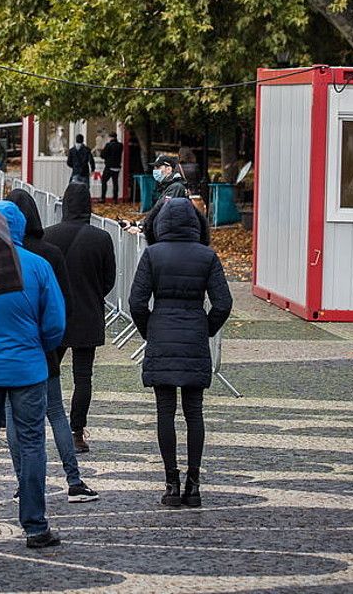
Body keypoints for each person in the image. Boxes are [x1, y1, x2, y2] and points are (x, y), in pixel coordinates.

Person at [0, 201, 66, 554]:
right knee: (32, 444)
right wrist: (37, 345)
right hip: (28, 369)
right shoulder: (38, 267)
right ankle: (35, 526)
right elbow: (55, 324)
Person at [128, 198, 232, 509]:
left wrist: (151, 331)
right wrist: (206, 329)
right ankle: (194, 484)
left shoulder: (152, 255)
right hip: (194, 337)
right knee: (194, 413)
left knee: (165, 413)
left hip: (162, 334)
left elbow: (136, 302)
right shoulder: (207, 256)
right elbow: (223, 303)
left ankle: (171, 484)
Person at [4, 190, 96, 502]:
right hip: (43, 349)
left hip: (5, 353)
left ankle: (22, 483)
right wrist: (52, 346)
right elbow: (62, 306)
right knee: (56, 413)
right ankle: (73, 479)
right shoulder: (49, 254)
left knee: (13, 420)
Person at [43, 183, 116, 455]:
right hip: (88, 313)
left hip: (56, 315)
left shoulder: (49, 236)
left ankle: (39, 423)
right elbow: (108, 280)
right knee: (83, 377)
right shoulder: (102, 238)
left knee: (49, 373)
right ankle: (77, 431)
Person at [99, 133, 124, 203]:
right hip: (117, 167)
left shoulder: (108, 145)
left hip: (109, 166)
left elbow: (102, 155)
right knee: (115, 182)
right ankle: (115, 199)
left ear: (110, 137)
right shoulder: (120, 145)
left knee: (104, 181)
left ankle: (103, 198)